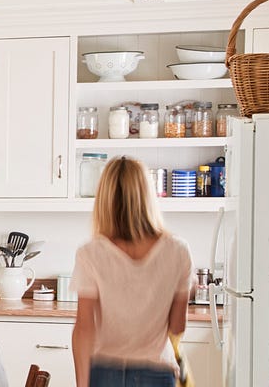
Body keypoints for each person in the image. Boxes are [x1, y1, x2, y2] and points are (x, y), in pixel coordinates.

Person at [72, 156, 192, 387]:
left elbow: (84, 327)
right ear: (148, 195)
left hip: (105, 371)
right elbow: (177, 327)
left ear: (105, 198)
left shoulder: (91, 252)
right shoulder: (178, 250)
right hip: (157, 371)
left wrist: (82, 384)